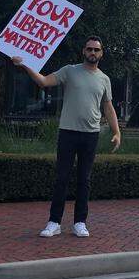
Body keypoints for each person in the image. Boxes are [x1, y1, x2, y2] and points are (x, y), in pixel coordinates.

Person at [13, 35, 120, 238]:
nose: (92, 53)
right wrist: (24, 65)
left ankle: (80, 222)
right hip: (68, 132)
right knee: (61, 178)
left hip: (90, 134)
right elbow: (44, 81)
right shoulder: (70, 71)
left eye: (96, 50)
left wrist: (117, 132)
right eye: (89, 49)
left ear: (101, 53)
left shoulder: (104, 79)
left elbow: (108, 106)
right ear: (83, 51)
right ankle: (54, 222)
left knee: (84, 179)